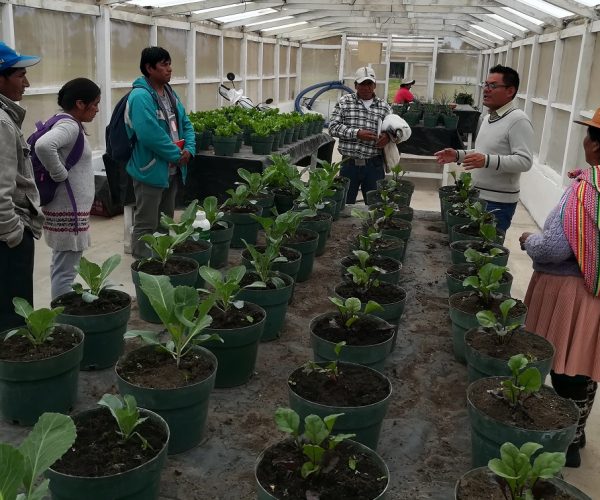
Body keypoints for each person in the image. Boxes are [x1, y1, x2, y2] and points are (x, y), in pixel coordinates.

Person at [519, 108, 600, 468]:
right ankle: (576, 436)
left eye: (589, 134)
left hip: (572, 294)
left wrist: (528, 241)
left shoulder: (585, 192)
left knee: (566, 370)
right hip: (596, 293)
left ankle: (563, 444)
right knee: (585, 365)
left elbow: (555, 248)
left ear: (595, 145)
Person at [434, 65, 533, 232]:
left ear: (510, 91)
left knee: (487, 246)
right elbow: (484, 153)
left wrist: (486, 160)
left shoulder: (518, 120)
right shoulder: (487, 118)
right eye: (485, 84)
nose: (486, 90)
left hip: (498, 203)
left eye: (493, 86)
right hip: (477, 197)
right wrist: (458, 155)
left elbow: (524, 161)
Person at [126, 46, 195, 258]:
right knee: (146, 223)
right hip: (151, 169)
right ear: (149, 68)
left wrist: (189, 149)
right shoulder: (140, 96)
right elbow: (149, 134)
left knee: (165, 220)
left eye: (170, 64)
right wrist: (176, 155)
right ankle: (142, 264)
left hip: (171, 168)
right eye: (164, 65)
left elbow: (186, 123)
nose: (170, 69)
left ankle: (161, 259)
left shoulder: (170, 93)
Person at [34, 78, 101, 300]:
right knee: (65, 272)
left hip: (65, 209)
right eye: (95, 104)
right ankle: (62, 314)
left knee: (61, 266)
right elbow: (44, 145)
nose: (97, 110)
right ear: (80, 104)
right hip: (68, 211)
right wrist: (59, 173)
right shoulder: (70, 125)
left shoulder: (62, 121)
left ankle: (60, 309)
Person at [0, 42, 44, 328]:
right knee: (13, 316)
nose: (26, 83)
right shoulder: (2, 123)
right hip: (8, 239)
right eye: (20, 75)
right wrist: (14, 234)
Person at [328, 66, 391, 204]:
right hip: (349, 164)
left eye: (369, 83)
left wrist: (388, 137)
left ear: (374, 85)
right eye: (362, 83)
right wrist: (357, 133)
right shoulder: (344, 102)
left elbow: (394, 129)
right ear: (355, 85)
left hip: (374, 164)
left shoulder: (384, 106)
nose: (366, 87)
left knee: (375, 205)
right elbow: (332, 128)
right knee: (344, 204)